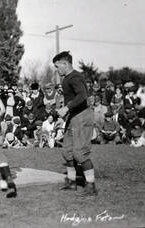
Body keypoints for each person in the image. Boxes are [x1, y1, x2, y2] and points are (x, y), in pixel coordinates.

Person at [54, 51, 97, 196]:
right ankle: (72, 182)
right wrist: (65, 114)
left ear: (65, 64)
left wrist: (66, 108)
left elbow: (82, 95)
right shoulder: (67, 78)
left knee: (80, 153)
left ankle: (91, 185)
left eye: (57, 66)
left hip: (82, 117)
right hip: (73, 117)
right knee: (67, 151)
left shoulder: (75, 77)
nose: (56, 69)